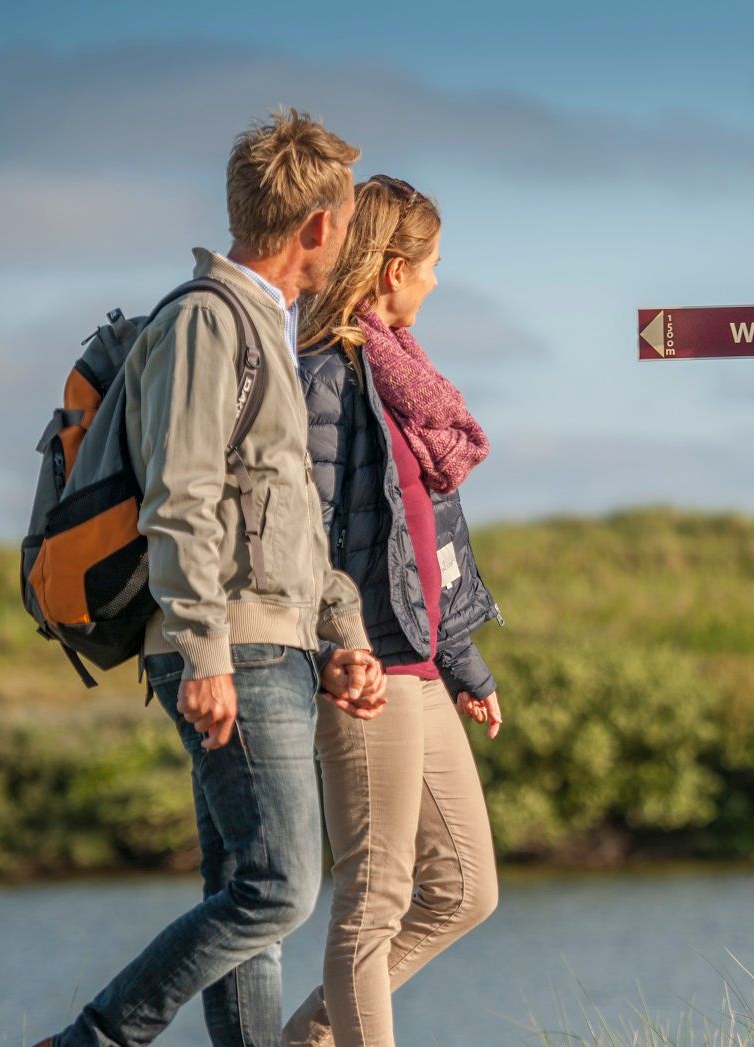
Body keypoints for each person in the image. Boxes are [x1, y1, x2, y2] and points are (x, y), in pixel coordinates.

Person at [42, 109, 389, 1047]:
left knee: (244, 899)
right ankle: (95, 1040)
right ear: (317, 224)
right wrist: (204, 650)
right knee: (279, 887)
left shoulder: (260, 325)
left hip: (271, 637)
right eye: (349, 219)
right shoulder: (207, 321)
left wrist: (342, 631)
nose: (349, 237)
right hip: (232, 645)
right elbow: (182, 495)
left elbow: (288, 518)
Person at [281, 174, 502, 1047]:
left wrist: (464, 665)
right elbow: (310, 542)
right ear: (392, 268)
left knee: (466, 888)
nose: (438, 282)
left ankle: (303, 1038)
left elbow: (430, 544)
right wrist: (341, 648)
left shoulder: (402, 379)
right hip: (364, 671)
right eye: (433, 265)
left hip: (419, 663)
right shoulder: (325, 379)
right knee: (374, 896)